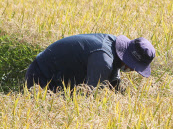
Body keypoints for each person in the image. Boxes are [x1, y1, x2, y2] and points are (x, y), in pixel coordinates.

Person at [25, 33, 155, 91]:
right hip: (42, 76)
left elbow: (112, 83)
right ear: (127, 59)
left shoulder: (113, 47)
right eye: (134, 67)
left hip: (62, 76)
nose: (133, 71)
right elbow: (90, 95)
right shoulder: (103, 60)